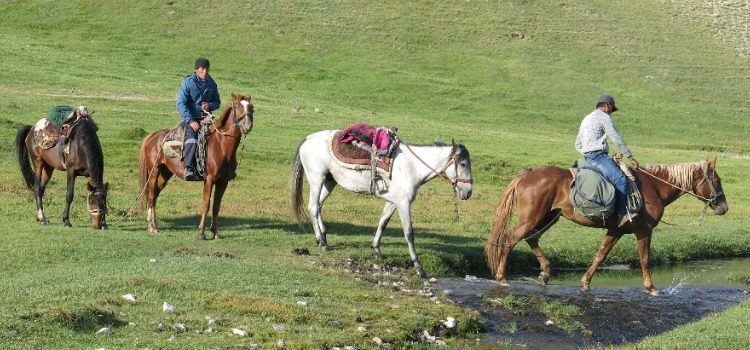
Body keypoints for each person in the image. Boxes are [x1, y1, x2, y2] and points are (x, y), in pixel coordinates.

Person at [575, 95, 639, 227]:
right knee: (621, 179)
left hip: (587, 157)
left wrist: (587, 153)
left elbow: (577, 143)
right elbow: (615, 137)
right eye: (611, 109)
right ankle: (622, 215)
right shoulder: (603, 117)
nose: (611, 112)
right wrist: (630, 157)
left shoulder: (587, 118)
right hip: (598, 156)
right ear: (607, 105)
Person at [176, 57, 221, 181]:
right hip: (191, 118)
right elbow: (180, 103)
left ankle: (219, 167)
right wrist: (191, 121)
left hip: (207, 118)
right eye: (202, 69)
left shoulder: (212, 84)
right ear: (196, 70)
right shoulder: (188, 83)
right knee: (193, 139)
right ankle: (189, 168)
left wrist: (210, 105)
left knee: (219, 138)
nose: (205, 71)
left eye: (207, 69)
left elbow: (217, 102)